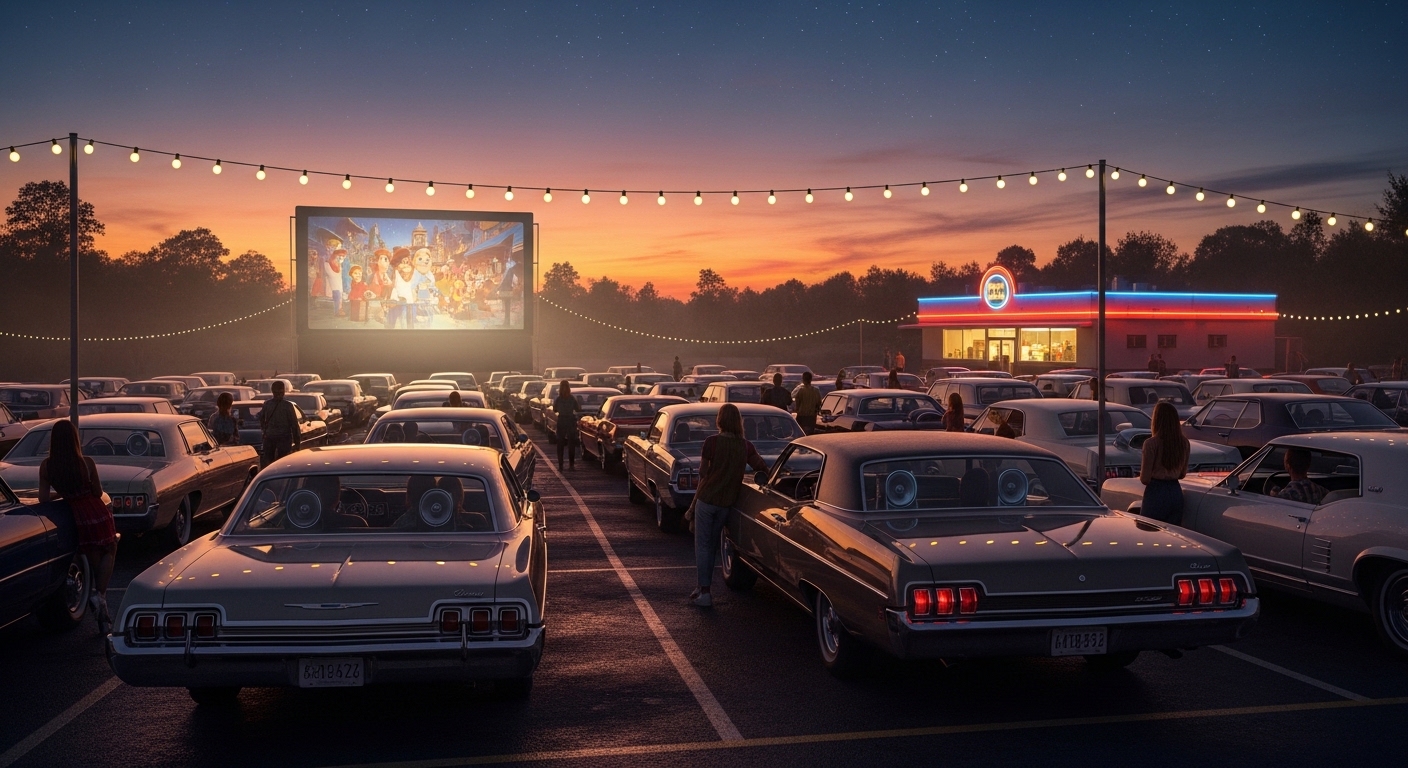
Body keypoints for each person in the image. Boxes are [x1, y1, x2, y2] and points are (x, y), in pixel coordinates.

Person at [38, 420, 117, 635]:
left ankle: (102, 612)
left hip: (76, 515)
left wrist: (63, 494)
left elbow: (43, 499)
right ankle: (99, 596)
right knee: (110, 548)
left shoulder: (47, 466)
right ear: (74, 439)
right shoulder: (87, 463)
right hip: (96, 511)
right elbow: (98, 491)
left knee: (91, 558)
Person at [691, 403, 769, 608]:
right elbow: (761, 468)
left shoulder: (711, 443)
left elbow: (703, 473)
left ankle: (705, 592)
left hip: (706, 500)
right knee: (713, 546)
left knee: (703, 546)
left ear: (719, 420)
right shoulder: (746, 446)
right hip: (726, 504)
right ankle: (702, 588)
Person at [1139, 401, 1190, 524]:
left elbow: (1145, 479)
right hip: (1175, 491)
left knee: (1149, 530)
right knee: (1172, 535)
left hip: (1156, 492)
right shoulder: (1184, 443)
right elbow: (1182, 474)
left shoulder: (1151, 443)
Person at [258, 380, 301, 468]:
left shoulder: (267, 404)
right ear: (283, 391)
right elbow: (294, 425)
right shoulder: (288, 406)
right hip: (284, 438)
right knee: (284, 463)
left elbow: (261, 419)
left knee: (268, 465)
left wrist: (265, 431)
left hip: (269, 437)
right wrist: (297, 443)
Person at [553, 380, 579, 470]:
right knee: (571, 443)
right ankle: (571, 465)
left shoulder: (558, 399)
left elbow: (555, 409)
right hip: (570, 420)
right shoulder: (572, 398)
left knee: (560, 443)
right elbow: (578, 408)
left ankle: (561, 465)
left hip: (562, 420)